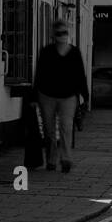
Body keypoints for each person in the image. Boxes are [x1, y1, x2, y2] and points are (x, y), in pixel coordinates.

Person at [34, 19, 89, 174]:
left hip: (68, 96)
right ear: (54, 35)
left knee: (66, 127)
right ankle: (51, 160)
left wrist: (85, 95)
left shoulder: (74, 52)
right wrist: (34, 97)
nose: (62, 36)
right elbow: (39, 75)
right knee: (49, 130)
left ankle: (66, 159)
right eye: (59, 33)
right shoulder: (46, 52)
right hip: (47, 96)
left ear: (68, 34)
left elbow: (80, 75)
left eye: (64, 32)